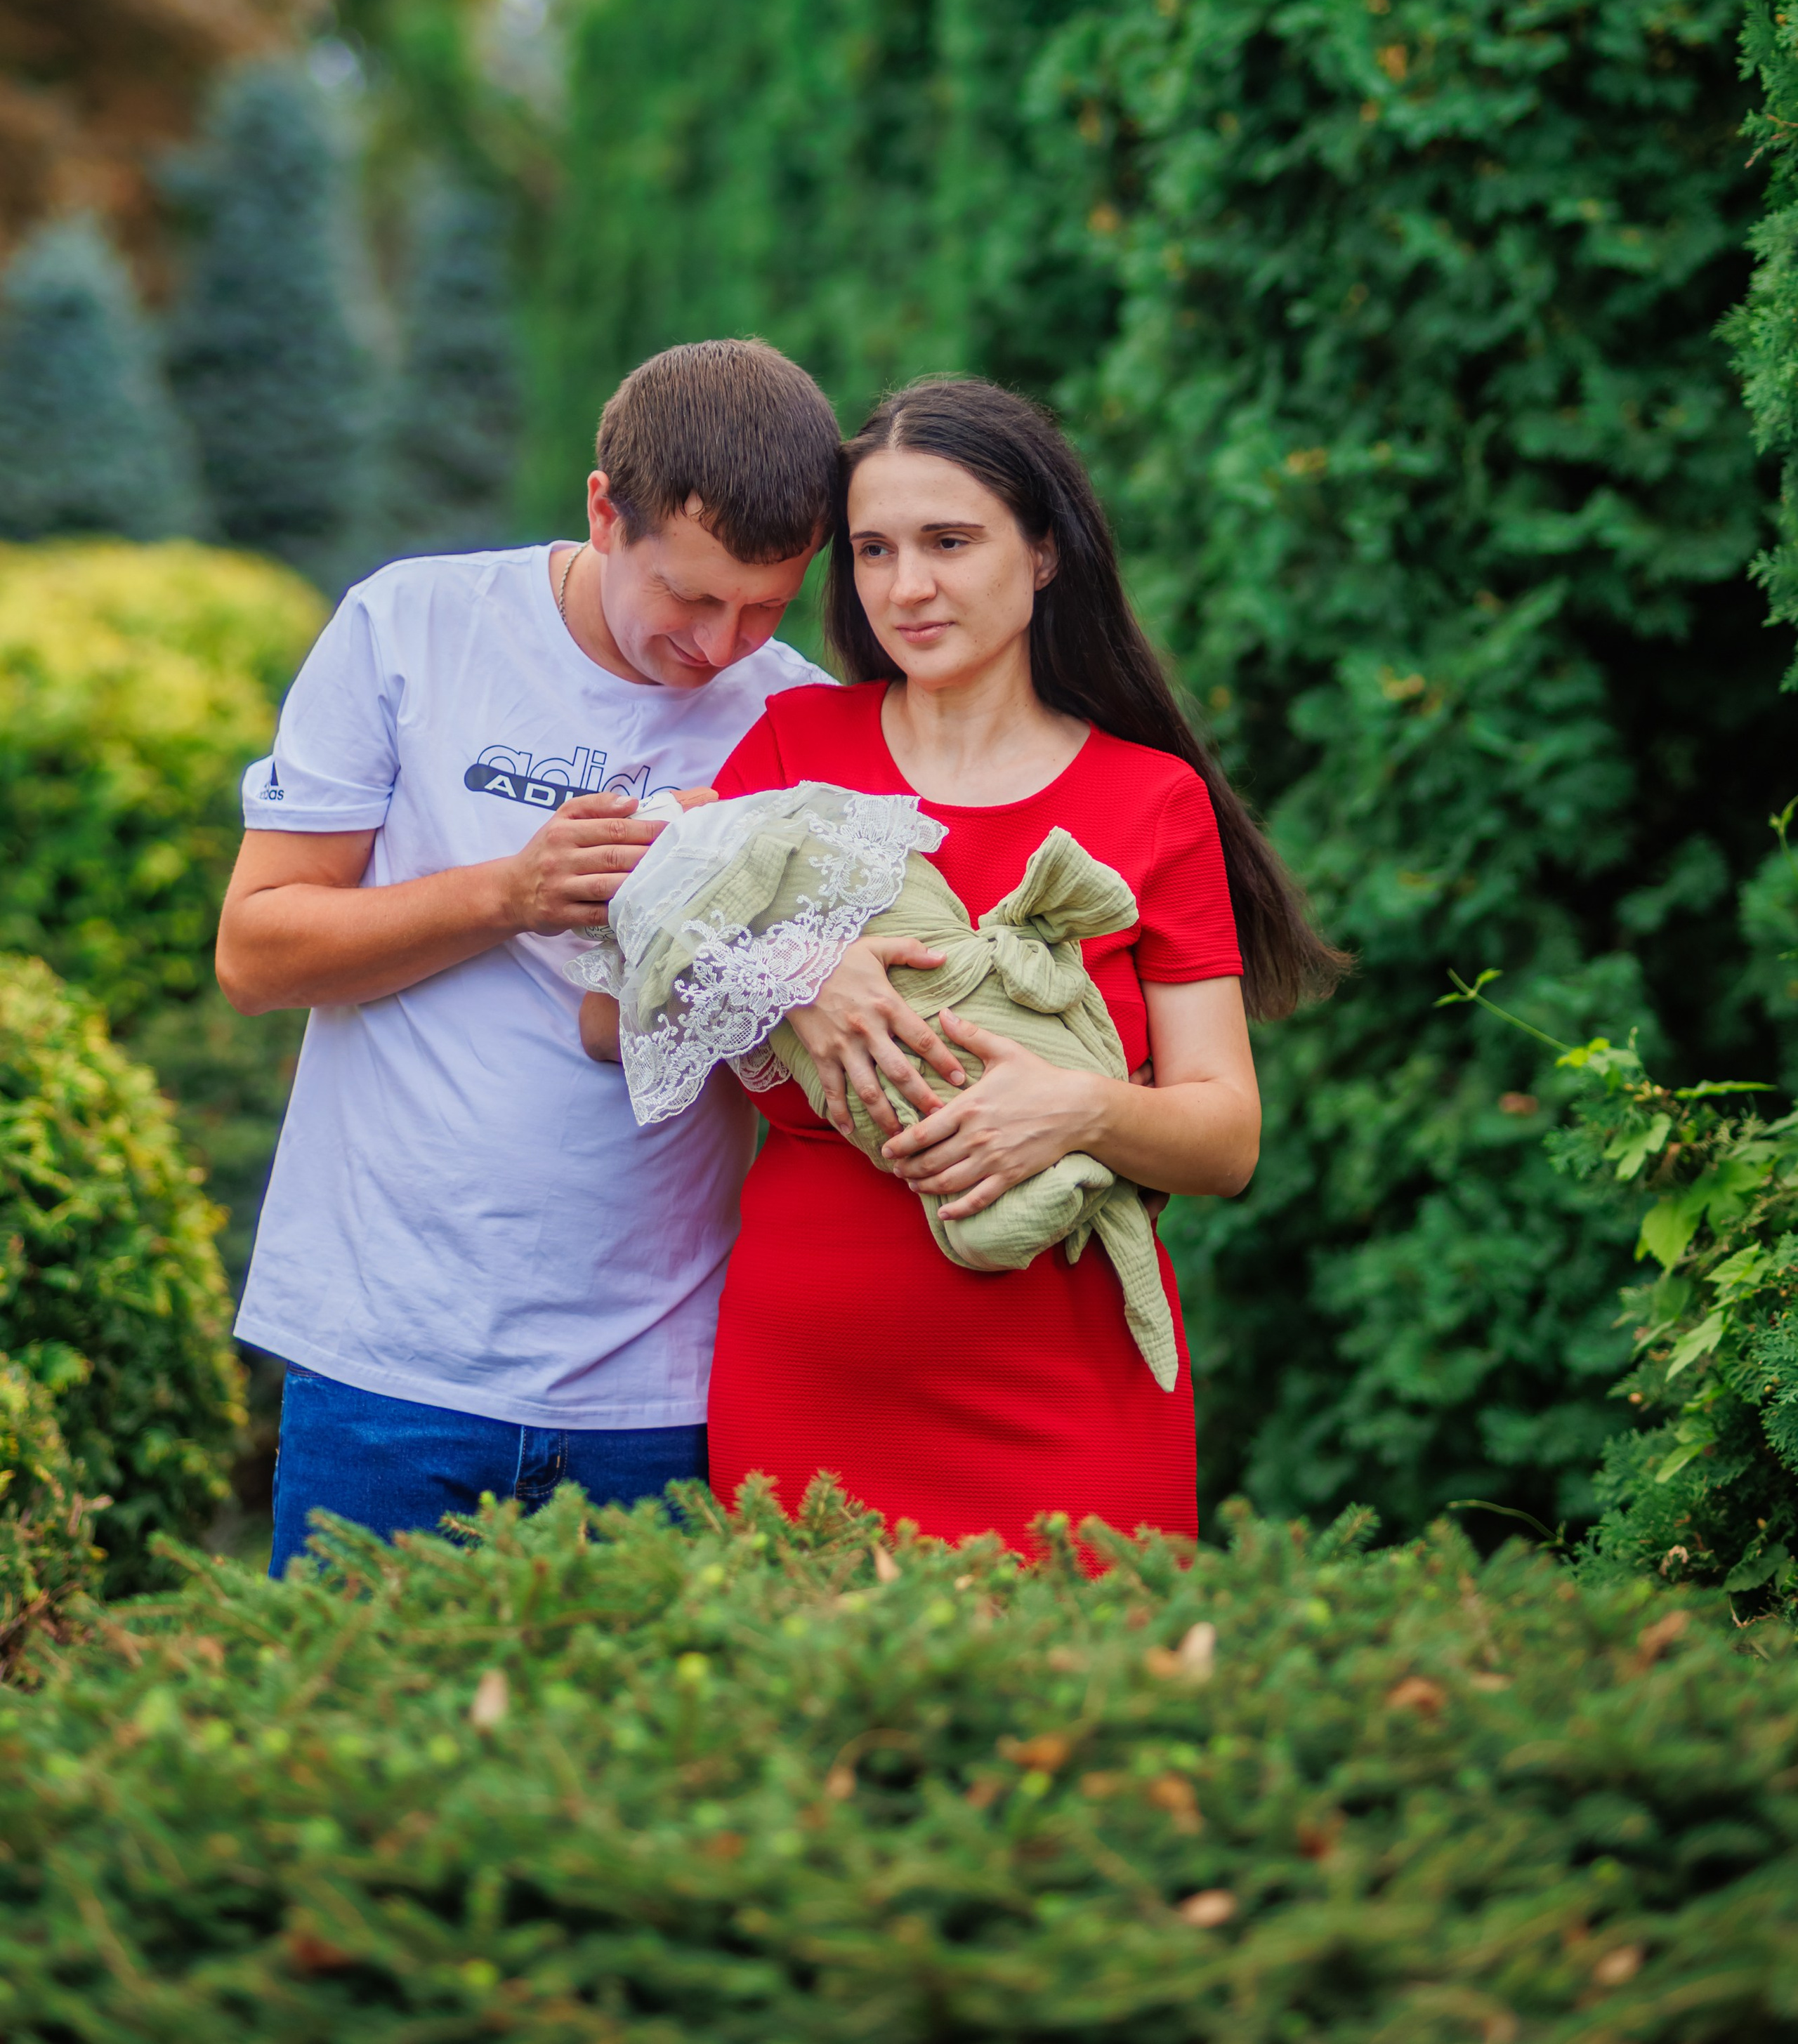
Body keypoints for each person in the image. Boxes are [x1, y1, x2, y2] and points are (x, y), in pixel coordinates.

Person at [216, 340, 840, 1576]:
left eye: (767, 605)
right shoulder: (412, 626)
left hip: (666, 1383)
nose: (723, 644)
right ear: (606, 512)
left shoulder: (800, 716)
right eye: (691, 597)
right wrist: (509, 893)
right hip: (387, 1357)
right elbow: (258, 950)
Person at [704, 376, 1347, 1552]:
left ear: (1045, 552)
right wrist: (796, 972)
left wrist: (1079, 1110)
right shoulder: (795, 753)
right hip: (806, 1392)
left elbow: (1226, 1138)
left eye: (950, 542)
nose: (907, 587)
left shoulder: (1152, 801)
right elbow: (616, 1016)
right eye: (874, 550)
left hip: (1069, 1400)